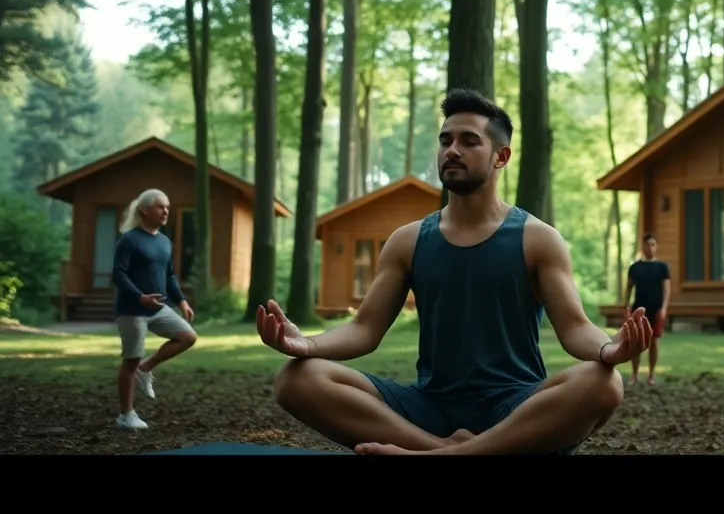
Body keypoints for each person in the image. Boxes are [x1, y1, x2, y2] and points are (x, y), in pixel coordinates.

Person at [257, 87, 654, 455]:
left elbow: (574, 327)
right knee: (295, 379)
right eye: (446, 140)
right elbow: (364, 330)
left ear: (501, 156)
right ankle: (443, 450)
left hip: (515, 407)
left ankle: (442, 455)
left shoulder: (538, 238)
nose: (452, 150)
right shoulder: (408, 241)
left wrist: (608, 349)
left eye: (469, 141)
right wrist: (306, 345)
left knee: (602, 382)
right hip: (430, 405)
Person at [110, 188, 198, 431]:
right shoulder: (129, 239)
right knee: (130, 360)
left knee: (188, 336)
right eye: (161, 206)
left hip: (159, 308)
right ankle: (126, 415)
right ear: (144, 210)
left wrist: (181, 301)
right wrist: (140, 297)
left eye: (167, 207)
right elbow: (118, 274)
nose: (166, 210)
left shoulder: (164, 241)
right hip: (132, 309)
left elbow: (169, 274)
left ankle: (146, 368)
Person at [622, 233, 670, 385]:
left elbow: (666, 289)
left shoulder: (662, 267)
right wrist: (626, 306)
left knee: (654, 342)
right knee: (636, 342)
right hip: (638, 309)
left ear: (656, 247)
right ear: (642, 246)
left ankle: (651, 375)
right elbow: (628, 288)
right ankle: (634, 374)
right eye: (647, 244)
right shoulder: (635, 268)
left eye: (653, 244)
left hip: (655, 310)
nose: (650, 247)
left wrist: (664, 308)